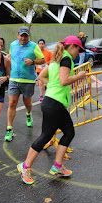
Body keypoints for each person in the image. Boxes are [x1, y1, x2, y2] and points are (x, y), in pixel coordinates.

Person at [17, 36, 87, 185]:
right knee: (49, 135)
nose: (78, 53)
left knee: (66, 132)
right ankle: (25, 166)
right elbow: (64, 81)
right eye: (79, 50)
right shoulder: (67, 59)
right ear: (73, 46)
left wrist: (53, 87)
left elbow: (41, 76)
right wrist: (79, 76)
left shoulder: (57, 58)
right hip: (55, 103)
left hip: (50, 101)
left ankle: (57, 166)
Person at [4, 26, 45, 142]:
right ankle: (9, 129)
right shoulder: (12, 45)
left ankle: (28, 114)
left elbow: (42, 60)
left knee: (27, 102)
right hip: (14, 79)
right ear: (18, 35)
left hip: (28, 80)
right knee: (12, 103)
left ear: (29, 36)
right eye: (21, 35)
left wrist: (32, 62)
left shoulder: (34, 46)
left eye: (25, 35)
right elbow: (10, 57)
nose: (23, 38)